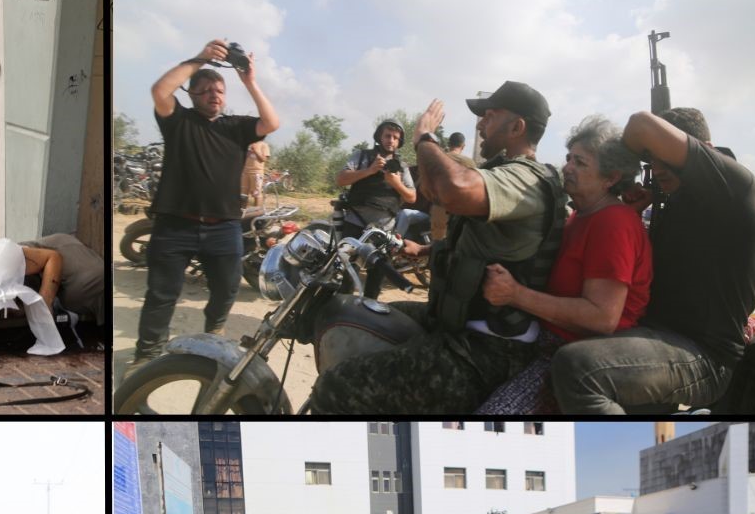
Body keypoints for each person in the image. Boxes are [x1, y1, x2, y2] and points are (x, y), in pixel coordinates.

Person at [309, 82, 567, 414]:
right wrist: (427, 251)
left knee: (337, 387)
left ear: (517, 127)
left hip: (489, 348)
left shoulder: (526, 179)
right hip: (456, 323)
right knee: (354, 315)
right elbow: (439, 195)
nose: (480, 124)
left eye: (489, 116)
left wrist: (425, 139)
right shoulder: (501, 171)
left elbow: (454, 189)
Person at [550, 107, 755, 413]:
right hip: (658, 337)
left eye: (663, 158)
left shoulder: (733, 184)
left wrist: (610, 159)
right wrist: (637, 214)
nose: (656, 168)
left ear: (701, 150)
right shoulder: (677, 201)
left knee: (580, 368)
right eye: (650, 160)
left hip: (704, 357)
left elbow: (641, 124)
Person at [476, 115, 653, 413]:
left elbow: (601, 316)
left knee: (495, 416)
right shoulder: (581, 215)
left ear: (610, 178)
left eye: (580, 163)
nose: (567, 167)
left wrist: (514, 294)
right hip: (539, 338)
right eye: (569, 158)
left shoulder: (613, 222)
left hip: (567, 354)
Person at [131, 39, 280, 367]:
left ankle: (213, 336)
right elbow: (160, 89)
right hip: (175, 225)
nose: (215, 95)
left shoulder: (236, 127)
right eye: (207, 89)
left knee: (226, 290)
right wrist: (200, 58)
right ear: (192, 94)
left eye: (220, 91)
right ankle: (146, 356)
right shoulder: (178, 121)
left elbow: (271, 123)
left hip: (224, 227)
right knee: (161, 296)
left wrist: (250, 81)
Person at [336, 120, 417, 236]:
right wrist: (369, 170)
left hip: (384, 229)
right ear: (380, 137)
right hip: (355, 223)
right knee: (344, 254)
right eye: (387, 136)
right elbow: (340, 180)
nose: (391, 140)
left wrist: (396, 183)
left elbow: (412, 197)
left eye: (395, 138)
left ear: (399, 142)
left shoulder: (402, 167)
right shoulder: (361, 155)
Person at [21, 245, 64, 312]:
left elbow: (54, 257)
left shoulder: (5, 259)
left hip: (59, 266)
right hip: (38, 285)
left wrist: (44, 307)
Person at [242, 139, 270, 208]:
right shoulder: (248, 144)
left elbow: (264, 159)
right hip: (245, 172)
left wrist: (256, 151)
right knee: (243, 194)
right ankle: (242, 213)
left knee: (256, 194)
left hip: (256, 173)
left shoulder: (264, 145)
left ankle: (256, 214)